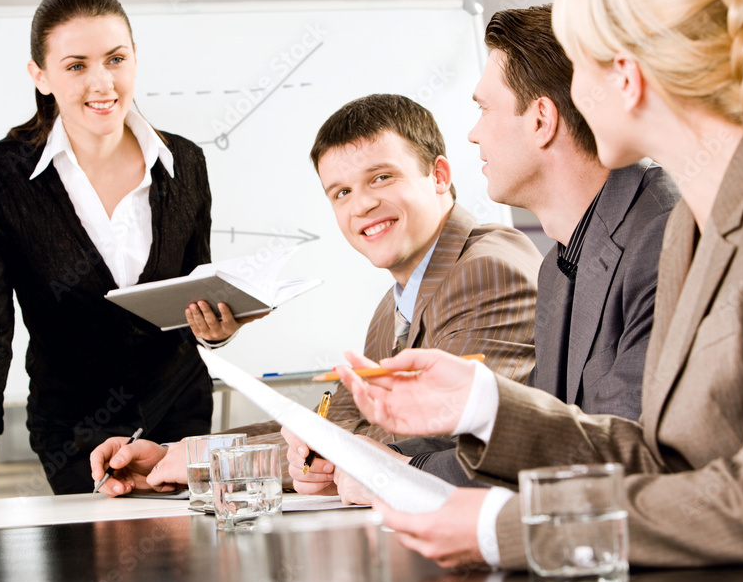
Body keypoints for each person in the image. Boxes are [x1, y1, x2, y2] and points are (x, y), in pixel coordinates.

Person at [338, 0, 743, 570]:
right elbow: (659, 462)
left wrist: (507, 528)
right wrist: (484, 401)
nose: (569, 94)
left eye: (578, 66)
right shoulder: (690, 232)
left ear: (625, 75)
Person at [286, 4, 680, 496]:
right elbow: (543, 433)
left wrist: (400, 474)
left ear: (541, 120)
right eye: (340, 192)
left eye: (484, 109)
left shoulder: (664, 237)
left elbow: (623, 458)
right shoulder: (563, 263)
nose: (473, 132)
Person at [0, 0, 259, 508]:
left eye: (116, 59)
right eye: (76, 65)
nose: (102, 82)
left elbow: (194, 293)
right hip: (73, 431)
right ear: (39, 76)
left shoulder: (184, 163)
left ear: (135, 58)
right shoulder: (0, 177)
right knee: (97, 581)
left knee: (187, 576)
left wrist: (217, 332)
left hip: (180, 418)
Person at [89, 94, 544, 496]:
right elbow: (333, 429)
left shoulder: (487, 268)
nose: (361, 205)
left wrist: (203, 465)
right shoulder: (394, 307)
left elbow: (445, 443)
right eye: (341, 192)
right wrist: (181, 453)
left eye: (381, 177)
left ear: (439, 175)